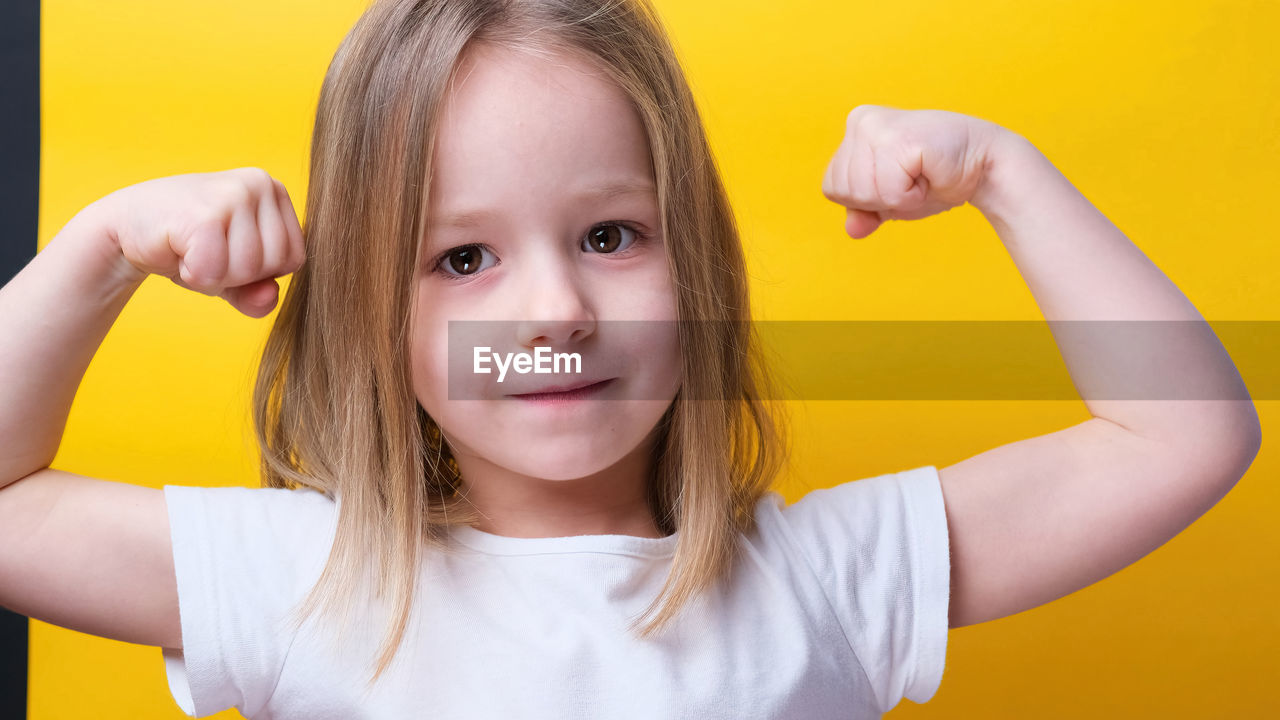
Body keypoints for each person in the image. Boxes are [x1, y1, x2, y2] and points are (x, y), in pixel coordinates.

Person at [0, 0, 1260, 718]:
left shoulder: (826, 580)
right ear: (369, 328)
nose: (552, 311)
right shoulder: (304, 582)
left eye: (610, 235)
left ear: (696, 266)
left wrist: (1003, 172)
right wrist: (101, 248)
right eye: (461, 261)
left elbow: (1183, 434)